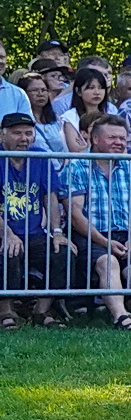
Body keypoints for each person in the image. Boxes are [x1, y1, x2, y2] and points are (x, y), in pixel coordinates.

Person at [64, 116, 131, 330]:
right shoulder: (76, 166)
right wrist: (104, 241)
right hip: (92, 234)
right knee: (108, 263)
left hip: (127, 234)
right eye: (112, 137)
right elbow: (75, 213)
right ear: (95, 139)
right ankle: (121, 316)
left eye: (122, 138)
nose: (119, 142)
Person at [0, 111, 70, 328]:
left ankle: (41, 311)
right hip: (4, 231)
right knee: (10, 251)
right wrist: (7, 233)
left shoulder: (40, 157)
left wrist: (57, 233)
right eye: (17, 133)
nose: (24, 139)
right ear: (2, 136)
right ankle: (6, 312)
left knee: (63, 254)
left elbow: (50, 198)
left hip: (35, 233)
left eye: (28, 133)